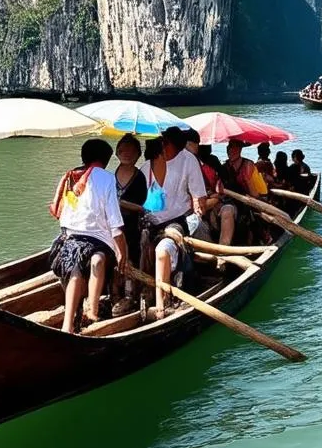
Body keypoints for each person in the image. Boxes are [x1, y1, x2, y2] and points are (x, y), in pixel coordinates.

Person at [48, 138, 128, 334]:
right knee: (96, 260)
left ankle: (74, 322)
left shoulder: (71, 176)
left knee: (82, 265)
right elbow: (115, 225)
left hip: (68, 238)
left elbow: (62, 213)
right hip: (93, 241)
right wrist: (122, 253)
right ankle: (90, 313)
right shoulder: (107, 178)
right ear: (106, 159)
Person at [140, 126, 207, 318]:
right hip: (149, 222)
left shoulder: (188, 160)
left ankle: (163, 303)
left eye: (166, 144)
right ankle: (128, 295)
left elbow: (198, 196)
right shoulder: (147, 166)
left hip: (176, 222)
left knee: (162, 252)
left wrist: (200, 211)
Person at [111, 133, 147, 314]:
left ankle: (129, 296)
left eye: (131, 151)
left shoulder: (139, 178)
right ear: (117, 152)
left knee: (129, 257)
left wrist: (120, 203)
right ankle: (113, 293)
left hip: (131, 225)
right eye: (122, 150)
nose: (126, 154)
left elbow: (141, 207)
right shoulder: (111, 177)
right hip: (113, 225)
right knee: (112, 257)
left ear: (138, 155)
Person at [217, 139, 269, 245]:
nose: (230, 150)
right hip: (231, 200)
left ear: (240, 149)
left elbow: (256, 194)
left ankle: (264, 237)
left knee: (257, 215)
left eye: (233, 147)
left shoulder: (248, 165)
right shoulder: (224, 167)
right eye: (229, 147)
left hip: (252, 199)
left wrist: (247, 181)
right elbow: (221, 189)